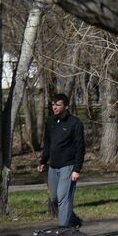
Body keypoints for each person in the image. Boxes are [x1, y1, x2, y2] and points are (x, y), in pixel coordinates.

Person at [38, 93, 85, 227]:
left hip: (68, 167)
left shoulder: (75, 123)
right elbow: (48, 143)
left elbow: (80, 147)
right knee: (54, 198)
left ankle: (63, 229)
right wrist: (43, 161)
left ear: (66, 106)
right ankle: (73, 220)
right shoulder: (50, 121)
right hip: (53, 166)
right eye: (53, 104)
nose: (55, 107)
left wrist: (77, 169)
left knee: (63, 198)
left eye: (58, 104)